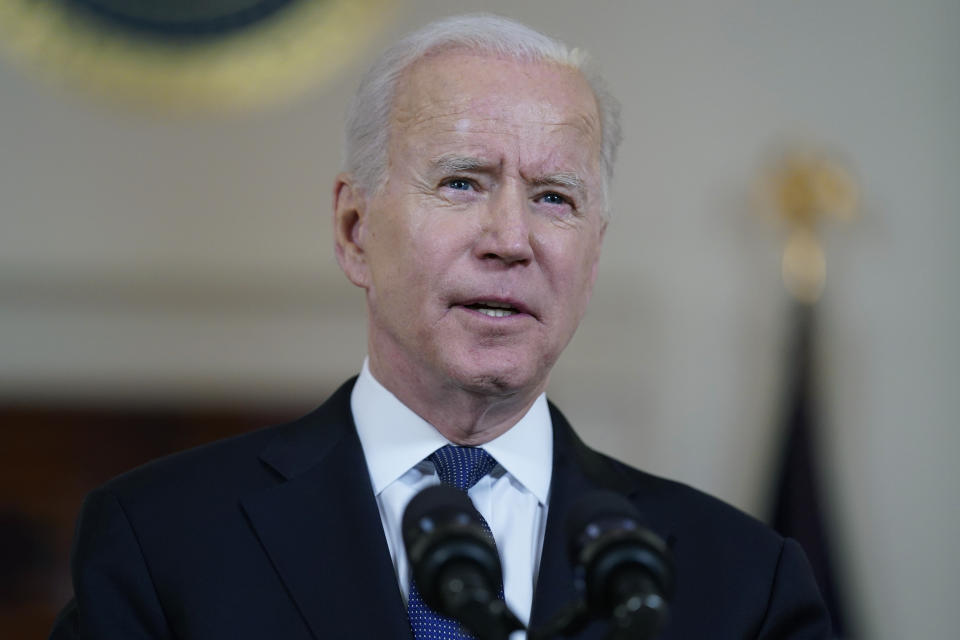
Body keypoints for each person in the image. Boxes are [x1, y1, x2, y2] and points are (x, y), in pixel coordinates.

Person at [50, 14, 830, 640]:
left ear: (592, 260)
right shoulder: (161, 541)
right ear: (355, 230)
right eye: (462, 182)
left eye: (554, 198)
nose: (511, 239)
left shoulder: (743, 584)